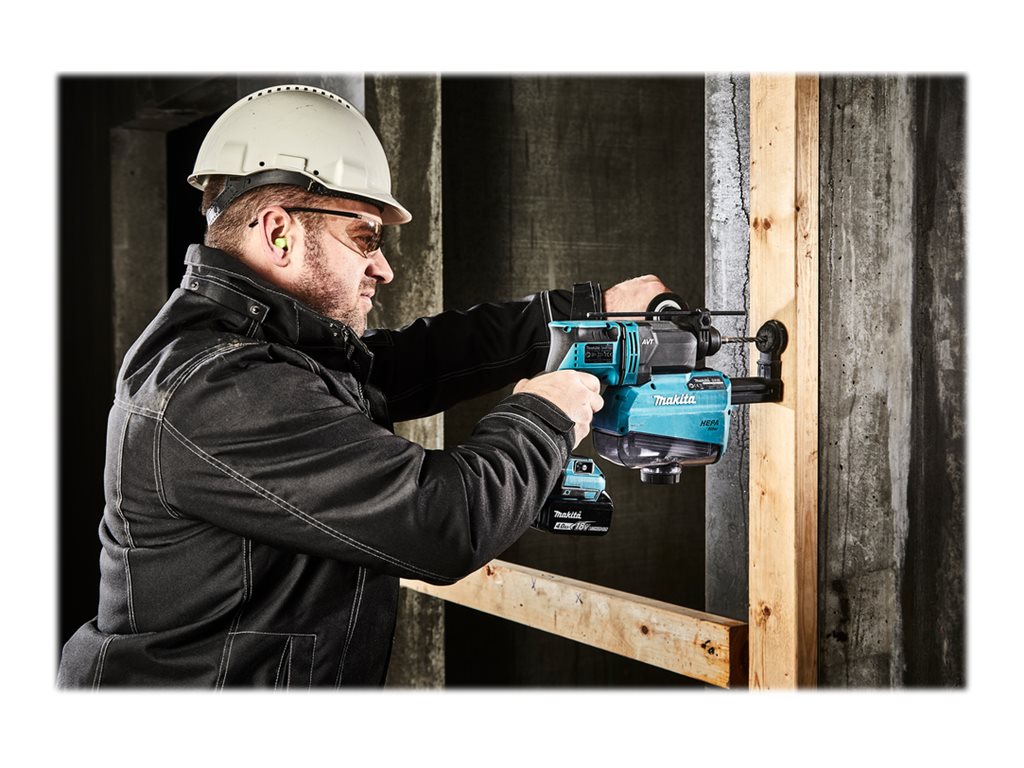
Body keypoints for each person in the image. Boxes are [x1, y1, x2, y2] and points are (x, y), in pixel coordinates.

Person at [57, 84, 670, 688]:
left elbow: (419, 360)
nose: (384, 267)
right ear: (279, 233)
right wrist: (543, 415)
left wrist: (586, 313)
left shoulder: (263, 348)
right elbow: (444, 522)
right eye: (366, 238)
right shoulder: (219, 386)